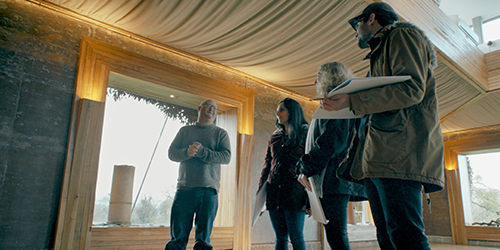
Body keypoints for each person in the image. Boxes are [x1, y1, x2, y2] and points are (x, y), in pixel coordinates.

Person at [322, 3, 445, 249]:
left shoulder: (401, 34)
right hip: (381, 158)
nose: (355, 32)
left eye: (356, 25)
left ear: (371, 18)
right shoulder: (382, 50)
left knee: (406, 236)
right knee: (388, 237)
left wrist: (354, 100)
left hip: (398, 155)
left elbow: (411, 89)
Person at [296, 62, 367, 250]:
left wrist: (305, 166)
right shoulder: (335, 101)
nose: (314, 81)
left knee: (336, 236)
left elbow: (332, 141)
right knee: (335, 235)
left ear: (328, 77)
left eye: (318, 76)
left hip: (334, 179)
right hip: (330, 180)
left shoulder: (338, 102)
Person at [165, 99, 231, 250]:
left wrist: (202, 152)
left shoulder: (221, 133)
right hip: (184, 189)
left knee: (203, 241)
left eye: (215, 108)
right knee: (177, 240)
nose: (212, 109)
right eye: (209, 106)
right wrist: (187, 152)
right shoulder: (184, 131)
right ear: (199, 108)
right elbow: (171, 153)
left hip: (209, 191)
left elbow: (226, 157)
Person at [257, 97, 309, 250]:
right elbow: (267, 166)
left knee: (296, 237)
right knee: (280, 238)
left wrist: (310, 199)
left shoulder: (305, 133)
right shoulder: (274, 137)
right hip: (274, 193)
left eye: (281, 110)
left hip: (295, 193)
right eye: (277, 111)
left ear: (292, 112)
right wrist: (260, 194)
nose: (277, 114)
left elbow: (311, 167)